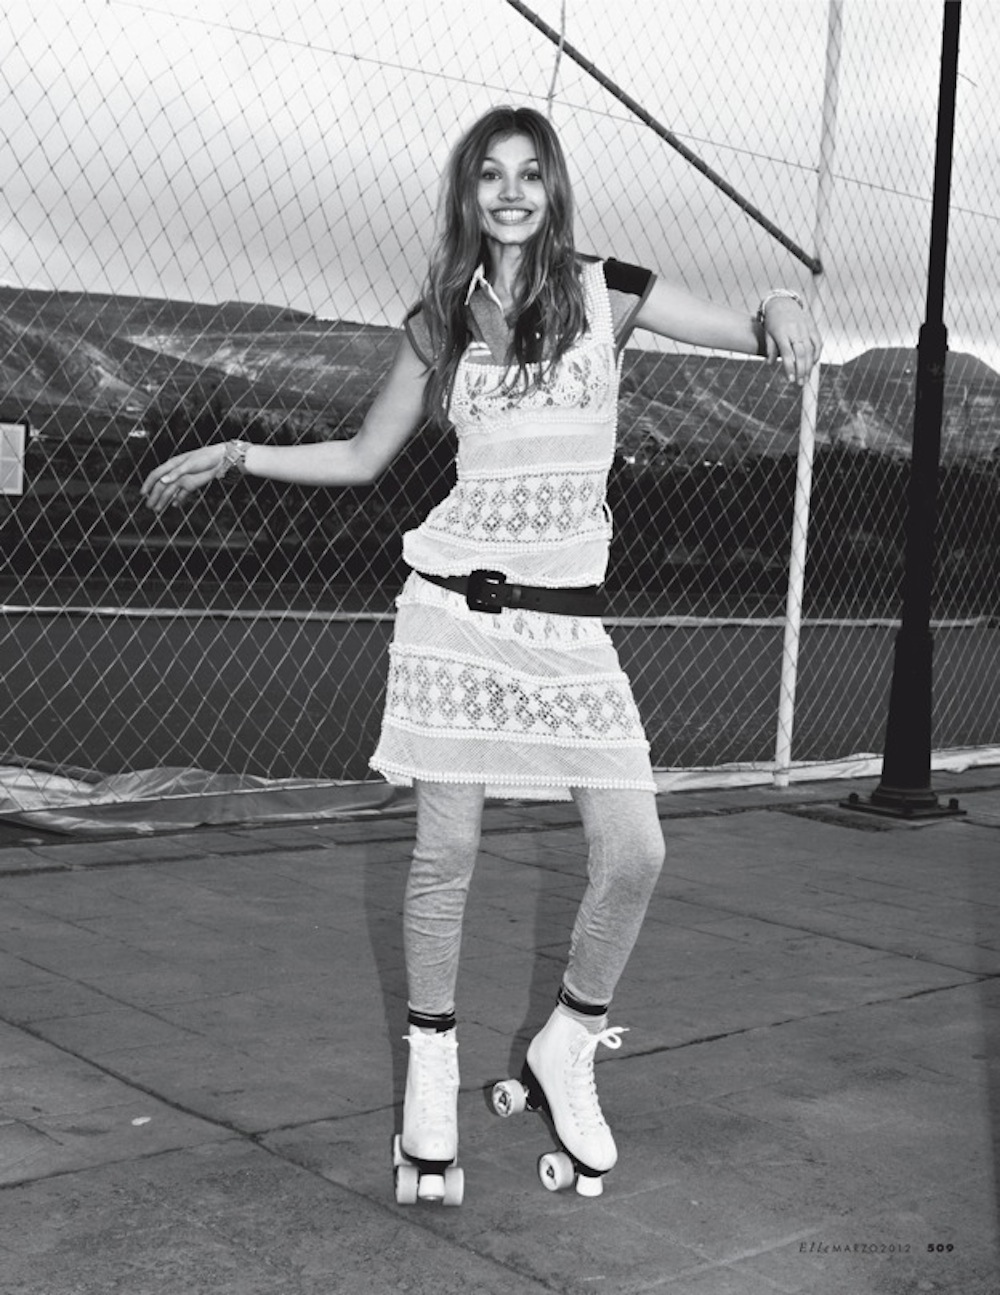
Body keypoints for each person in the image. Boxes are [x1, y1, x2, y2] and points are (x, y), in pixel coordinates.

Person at [142, 105, 820, 1202]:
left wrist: (782, 300)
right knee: (444, 854)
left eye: (529, 173)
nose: (510, 192)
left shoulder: (613, 290)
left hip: (567, 629)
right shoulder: (439, 323)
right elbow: (362, 455)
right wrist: (234, 452)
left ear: (554, 190)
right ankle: (431, 1071)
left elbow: (751, 331)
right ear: (469, 194)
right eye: (490, 175)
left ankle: (568, 1038)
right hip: (452, 616)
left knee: (635, 850)